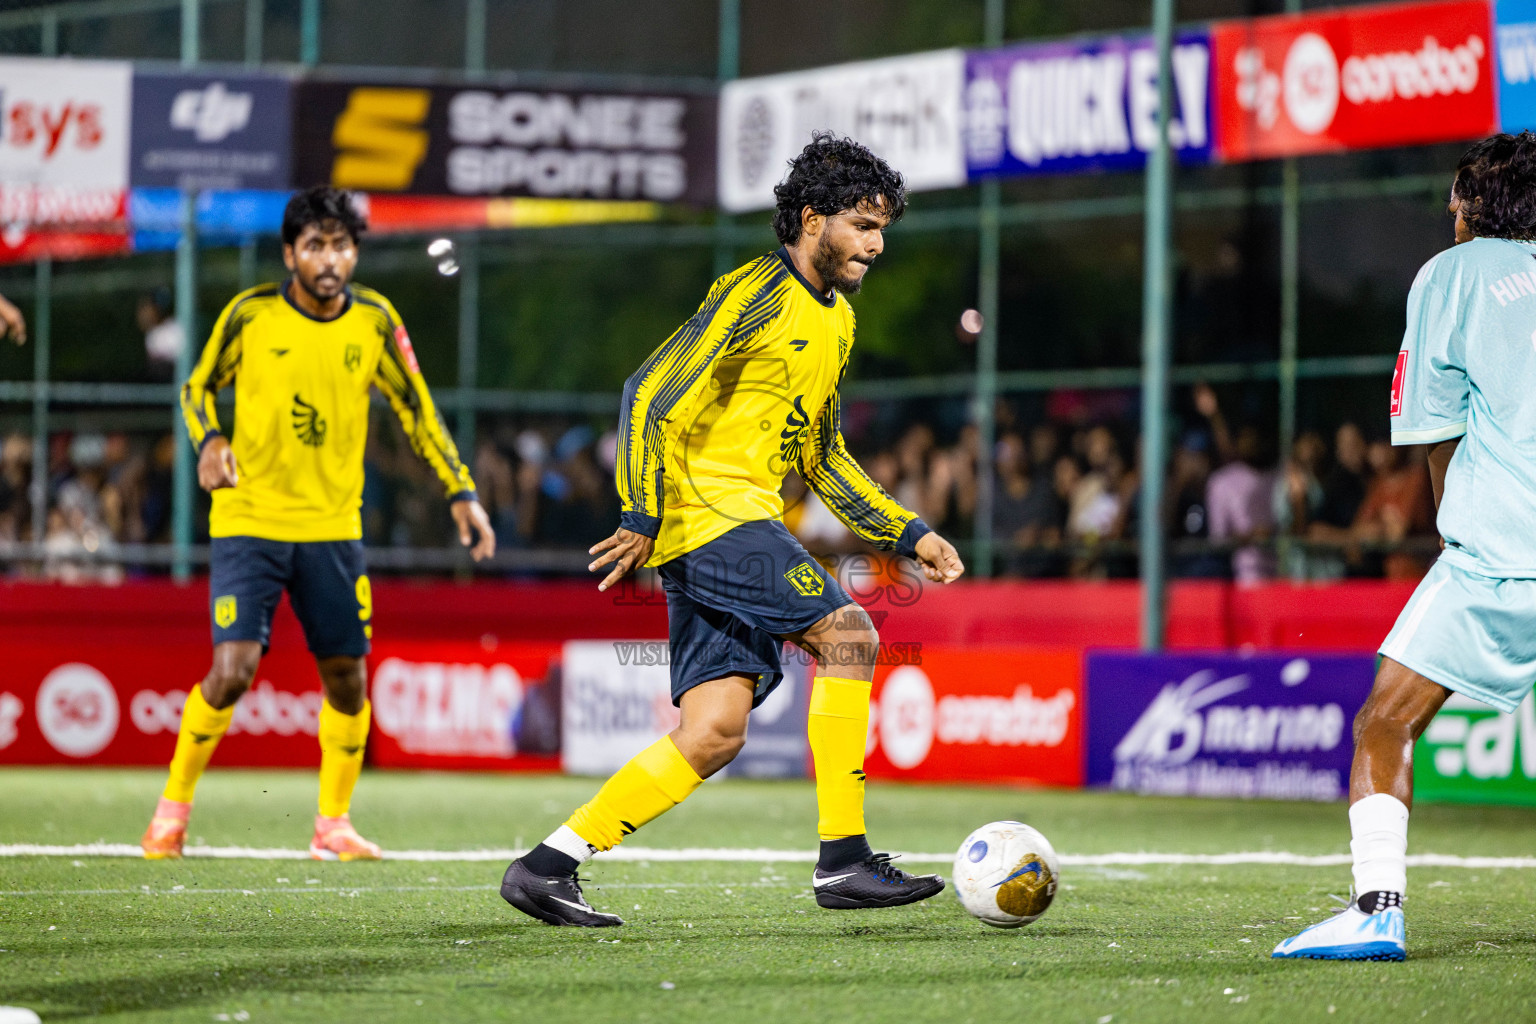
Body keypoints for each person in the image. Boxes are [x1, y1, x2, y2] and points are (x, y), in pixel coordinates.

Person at [498, 132, 965, 928]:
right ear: (812, 220)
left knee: (713, 733)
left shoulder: (837, 322)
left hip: (724, 526)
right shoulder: (752, 292)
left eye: (883, 227)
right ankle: (843, 860)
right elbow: (647, 392)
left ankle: (546, 868)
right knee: (849, 637)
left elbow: (823, 457)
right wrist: (642, 511)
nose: (877, 245)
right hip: (711, 517)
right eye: (863, 225)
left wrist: (908, 531)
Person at [140, 186, 495, 862]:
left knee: (347, 680)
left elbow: (417, 410)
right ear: (290, 254)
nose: (329, 259)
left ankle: (332, 824)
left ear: (354, 252)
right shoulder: (251, 316)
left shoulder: (375, 320)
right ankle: (170, 814)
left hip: (333, 527)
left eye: (341, 245)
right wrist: (210, 441)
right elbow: (195, 388)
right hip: (250, 517)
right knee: (234, 669)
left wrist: (461, 491)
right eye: (315, 246)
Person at [1274, 133, 1536, 961]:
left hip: (1500, 548)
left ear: (1478, 204)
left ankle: (1376, 910)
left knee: (1385, 720)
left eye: (1457, 195)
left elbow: (1432, 428)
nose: (1448, 209)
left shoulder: (1450, 274)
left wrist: (1458, 529)